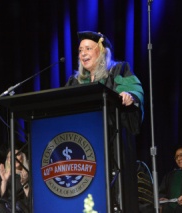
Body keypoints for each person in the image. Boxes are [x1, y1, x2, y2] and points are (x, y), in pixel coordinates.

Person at [65, 31, 144, 212]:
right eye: (80, 50)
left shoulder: (117, 70)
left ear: (101, 52)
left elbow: (133, 88)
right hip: (83, 147)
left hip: (113, 145)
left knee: (114, 195)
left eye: (88, 49)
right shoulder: (75, 81)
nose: (82, 53)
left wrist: (129, 95)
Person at [158, 145, 182, 213]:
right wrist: (163, 200)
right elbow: (161, 192)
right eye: (176, 157)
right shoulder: (170, 175)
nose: (179, 159)